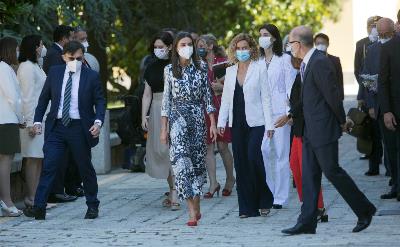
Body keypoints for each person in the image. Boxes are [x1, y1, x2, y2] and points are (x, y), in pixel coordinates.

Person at [282, 26, 376, 235]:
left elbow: (332, 95)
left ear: (299, 44)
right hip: (309, 130)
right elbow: (308, 98)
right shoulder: (307, 63)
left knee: (332, 172)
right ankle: (307, 221)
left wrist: (342, 121)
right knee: (309, 176)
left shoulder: (319, 62)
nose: (289, 48)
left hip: (323, 129)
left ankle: (364, 210)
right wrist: (291, 115)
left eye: (290, 43)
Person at [23, 41, 106, 220]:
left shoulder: (91, 76)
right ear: (63, 57)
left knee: (85, 168)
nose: (76, 61)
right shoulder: (54, 73)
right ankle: (39, 207)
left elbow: (100, 101)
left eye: (79, 58)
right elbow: (44, 99)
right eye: (71, 58)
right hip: (57, 128)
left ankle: (92, 206)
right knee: (49, 166)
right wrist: (37, 121)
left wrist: (98, 122)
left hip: (79, 128)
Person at [160, 32, 217, 226]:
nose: (187, 47)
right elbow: (166, 101)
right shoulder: (169, 70)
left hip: (197, 119)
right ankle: (191, 212)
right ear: (176, 48)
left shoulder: (201, 67)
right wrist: (163, 128)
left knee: (197, 164)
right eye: (182, 44)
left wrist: (213, 123)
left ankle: (197, 203)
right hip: (177, 119)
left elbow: (208, 97)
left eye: (189, 44)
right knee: (181, 165)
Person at [218, 33, 274, 218]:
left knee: (253, 158)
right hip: (237, 123)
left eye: (245, 47)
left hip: (256, 122)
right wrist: (221, 122)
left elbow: (266, 97)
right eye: (238, 48)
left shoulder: (259, 68)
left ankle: (264, 199)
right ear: (234, 50)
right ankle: (246, 208)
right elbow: (226, 100)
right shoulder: (230, 71)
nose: (242, 51)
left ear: (251, 49)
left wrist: (270, 124)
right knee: (241, 164)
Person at [258, 24, 297, 209]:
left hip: (280, 111)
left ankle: (280, 197)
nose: (262, 38)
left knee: (281, 154)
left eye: (265, 34)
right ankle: (269, 190)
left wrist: (290, 113)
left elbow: (291, 87)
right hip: (261, 114)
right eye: (260, 35)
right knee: (263, 151)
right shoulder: (256, 61)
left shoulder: (284, 60)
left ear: (274, 37)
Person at [285, 55, 328, 222]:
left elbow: (308, 100)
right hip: (298, 127)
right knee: (295, 166)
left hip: (309, 128)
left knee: (308, 169)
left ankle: (318, 207)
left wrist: (290, 113)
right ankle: (308, 205)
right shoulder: (298, 74)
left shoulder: (312, 72)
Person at [141, 31, 180, 210]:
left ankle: (175, 191)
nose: (158, 50)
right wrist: (144, 115)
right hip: (157, 110)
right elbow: (147, 94)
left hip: (175, 108)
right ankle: (172, 188)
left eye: (161, 47)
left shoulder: (178, 65)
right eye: (155, 47)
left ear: (170, 46)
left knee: (175, 150)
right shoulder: (151, 67)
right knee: (162, 150)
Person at [196, 34, 235, 198]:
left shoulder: (224, 62)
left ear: (211, 46)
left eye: (202, 45)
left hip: (222, 107)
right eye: (198, 46)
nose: (199, 48)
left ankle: (230, 179)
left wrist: (221, 88)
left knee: (223, 146)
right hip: (204, 109)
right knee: (208, 147)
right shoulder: (198, 65)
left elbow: (234, 86)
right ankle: (213, 183)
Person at [17, 35, 47, 209]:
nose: (43, 48)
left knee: (38, 159)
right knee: (32, 158)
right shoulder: (27, 67)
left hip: (40, 119)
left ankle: (36, 197)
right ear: (35, 47)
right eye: (41, 45)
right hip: (32, 120)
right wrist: (30, 122)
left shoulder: (35, 65)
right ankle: (30, 197)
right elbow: (27, 97)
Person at [0, 37, 23, 217]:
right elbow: (13, 98)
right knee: (5, 162)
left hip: (5, 119)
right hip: (7, 120)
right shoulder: (4, 68)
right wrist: (21, 117)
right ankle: (7, 202)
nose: (18, 52)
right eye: (16, 49)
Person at [378, 18, 400, 201]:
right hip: (396, 110)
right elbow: (383, 82)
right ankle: (398, 186)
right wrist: (386, 111)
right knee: (394, 150)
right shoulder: (389, 48)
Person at [354, 16, 381, 161]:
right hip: (367, 92)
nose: (374, 28)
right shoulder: (361, 44)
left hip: (382, 93)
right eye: (372, 25)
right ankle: (373, 162)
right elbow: (358, 69)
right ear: (367, 27)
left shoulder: (385, 43)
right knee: (370, 130)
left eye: (377, 25)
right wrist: (365, 90)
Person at [314, 33, 344, 100]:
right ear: (315, 45)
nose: (320, 45)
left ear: (327, 44)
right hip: (317, 98)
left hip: (332, 96)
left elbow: (339, 79)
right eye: (318, 43)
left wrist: (341, 97)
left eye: (323, 43)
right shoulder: (311, 60)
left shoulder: (335, 60)